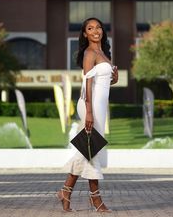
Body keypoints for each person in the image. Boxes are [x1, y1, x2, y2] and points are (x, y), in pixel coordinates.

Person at [56, 17, 118, 212]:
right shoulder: (90, 53)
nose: (95, 30)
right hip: (89, 106)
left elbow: (102, 83)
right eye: (90, 28)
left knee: (88, 150)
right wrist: (89, 112)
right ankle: (95, 199)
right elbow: (88, 84)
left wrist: (113, 79)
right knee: (91, 150)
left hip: (99, 107)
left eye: (98, 27)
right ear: (85, 34)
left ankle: (66, 192)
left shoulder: (103, 53)